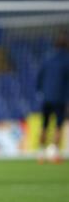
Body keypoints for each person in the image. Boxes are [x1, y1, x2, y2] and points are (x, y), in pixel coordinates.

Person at [36, 31, 69, 163]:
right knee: (58, 126)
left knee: (44, 125)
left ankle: (40, 153)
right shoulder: (67, 60)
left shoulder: (47, 58)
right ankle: (54, 153)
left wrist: (40, 91)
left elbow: (39, 77)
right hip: (60, 98)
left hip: (46, 97)